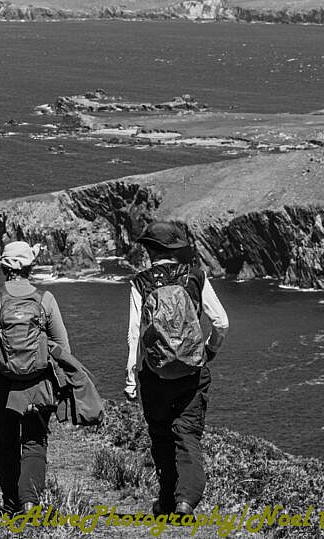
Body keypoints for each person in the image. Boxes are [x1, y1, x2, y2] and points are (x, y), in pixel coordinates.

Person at [0, 241, 70, 513]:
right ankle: (30, 501)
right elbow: (62, 346)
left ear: (4, 267)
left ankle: (11, 506)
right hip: (39, 383)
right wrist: (65, 384)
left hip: (1, 384)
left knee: (6, 444)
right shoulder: (46, 299)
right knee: (34, 441)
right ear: (30, 267)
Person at [125, 221, 229, 516]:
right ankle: (186, 501)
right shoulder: (195, 276)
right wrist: (209, 350)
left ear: (149, 250)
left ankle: (168, 502)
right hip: (193, 373)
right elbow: (221, 322)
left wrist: (131, 378)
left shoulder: (140, 282)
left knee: (160, 435)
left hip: (154, 373)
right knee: (188, 435)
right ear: (176, 249)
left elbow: (135, 334)